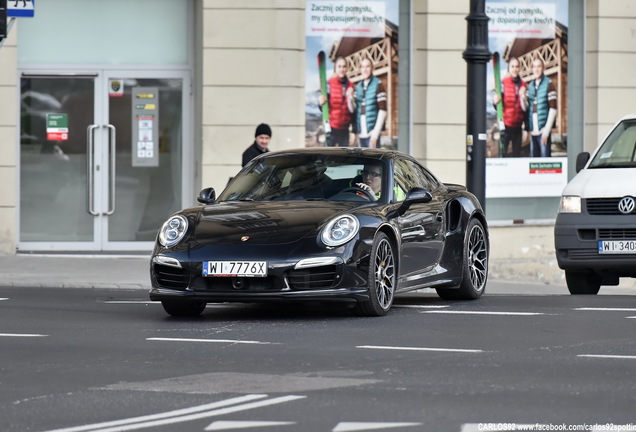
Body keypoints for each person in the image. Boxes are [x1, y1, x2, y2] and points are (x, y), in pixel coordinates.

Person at [493, 57, 527, 157]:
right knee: (503, 154)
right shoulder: (504, 83)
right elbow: (498, 106)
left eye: (517, 66)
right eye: (512, 66)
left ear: (519, 68)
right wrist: (495, 102)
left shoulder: (523, 85)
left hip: (518, 128)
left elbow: (526, 109)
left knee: (517, 155)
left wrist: (523, 97)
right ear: (509, 68)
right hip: (506, 127)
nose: (515, 69)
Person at [318, 56, 355, 147]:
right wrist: (320, 103)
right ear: (335, 68)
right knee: (329, 157)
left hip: (345, 130)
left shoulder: (351, 85)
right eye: (339, 66)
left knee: (344, 158)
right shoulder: (329, 83)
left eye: (344, 66)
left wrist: (354, 131)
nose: (342, 69)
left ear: (346, 68)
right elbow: (323, 107)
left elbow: (353, 111)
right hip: (332, 129)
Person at [351, 57, 387, 148]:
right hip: (361, 134)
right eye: (363, 67)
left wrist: (375, 133)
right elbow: (354, 110)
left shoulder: (378, 84)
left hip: (372, 133)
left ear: (372, 68)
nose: (365, 69)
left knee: (374, 161)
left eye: (367, 66)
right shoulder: (358, 87)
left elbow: (383, 110)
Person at [525, 58, 557, 157]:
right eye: (534, 67)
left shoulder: (549, 83)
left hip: (543, 131)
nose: (536, 69)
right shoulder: (530, 86)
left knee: (545, 165)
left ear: (543, 68)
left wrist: (546, 131)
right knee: (534, 166)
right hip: (533, 133)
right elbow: (527, 108)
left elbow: (553, 108)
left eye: (539, 66)